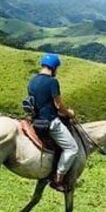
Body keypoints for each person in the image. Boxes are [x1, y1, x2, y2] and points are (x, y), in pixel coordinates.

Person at [27, 53, 78, 192]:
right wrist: (69, 113)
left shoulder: (32, 80)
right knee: (72, 148)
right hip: (50, 122)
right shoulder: (52, 82)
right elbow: (58, 106)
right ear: (54, 68)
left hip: (35, 120)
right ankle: (58, 179)